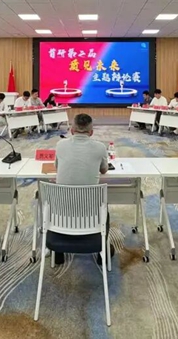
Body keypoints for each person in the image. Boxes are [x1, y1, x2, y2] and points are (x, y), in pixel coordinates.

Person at [54, 113, 110, 265]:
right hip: (90, 211)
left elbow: (57, 167)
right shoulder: (100, 147)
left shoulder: (60, 145)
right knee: (106, 209)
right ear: (91, 132)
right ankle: (102, 251)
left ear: (72, 130)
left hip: (61, 210)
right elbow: (104, 170)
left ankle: (58, 251)